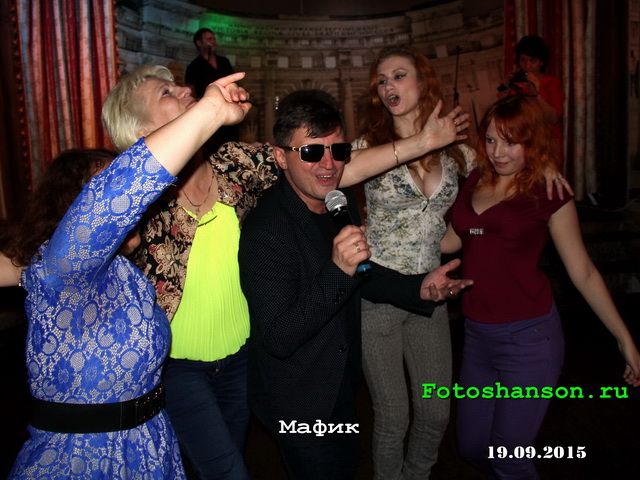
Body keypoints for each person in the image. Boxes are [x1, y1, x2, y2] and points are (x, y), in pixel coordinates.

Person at [101, 64, 472, 480]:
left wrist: (424, 142)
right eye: (167, 92)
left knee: (241, 458)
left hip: (240, 358)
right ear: (140, 132)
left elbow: (328, 166)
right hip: (178, 365)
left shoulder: (232, 165)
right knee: (227, 471)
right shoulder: (133, 200)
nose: (186, 90)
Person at [1, 73, 251, 478]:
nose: (132, 208)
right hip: (80, 458)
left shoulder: (128, 273)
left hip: (150, 447)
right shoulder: (63, 270)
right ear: (72, 212)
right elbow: (115, 198)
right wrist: (209, 110)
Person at [238, 95, 474, 480]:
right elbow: (279, 337)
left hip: (341, 386)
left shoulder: (338, 200)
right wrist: (338, 269)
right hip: (300, 401)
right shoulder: (265, 232)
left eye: (338, 150)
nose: (329, 164)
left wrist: (418, 288)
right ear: (281, 157)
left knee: (348, 466)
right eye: (311, 152)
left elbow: (362, 275)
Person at [441, 94, 640, 479]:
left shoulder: (549, 192)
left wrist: (624, 339)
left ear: (532, 142)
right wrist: (390, 238)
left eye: (511, 142)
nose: (498, 152)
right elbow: (451, 241)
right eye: (491, 140)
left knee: (509, 459)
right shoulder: (476, 180)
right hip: (477, 337)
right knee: (473, 447)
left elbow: (583, 272)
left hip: (529, 340)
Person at [353, 44, 475, 479]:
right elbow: (342, 173)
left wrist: (545, 168)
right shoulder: (368, 145)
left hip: (431, 295)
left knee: (436, 412)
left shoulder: (458, 153)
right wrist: (422, 141)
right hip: (378, 296)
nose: (389, 85)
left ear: (424, 82)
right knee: (392, 418)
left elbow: (504, 173)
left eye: (399, 75)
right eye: (382, 80)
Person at [501, 35, 565, 165]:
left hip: (545, 143)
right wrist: (505, 88)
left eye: (533, 60)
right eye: (523, 60)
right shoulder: (517, 84)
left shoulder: (551, 82)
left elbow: (554, 118)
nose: (527, 65)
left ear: (542, 62)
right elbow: (504, 114)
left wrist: (536, 93)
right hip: (522, 143)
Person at [185, 27, 238, 151]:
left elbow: (233, 82)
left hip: (228, 111)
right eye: (209, 39)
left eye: (214, 39)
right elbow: (190, 90)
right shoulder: (193, 67)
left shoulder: (224, 62)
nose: (213, 42)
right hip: (209, 114)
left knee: (232, 147)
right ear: (199, 43)